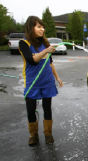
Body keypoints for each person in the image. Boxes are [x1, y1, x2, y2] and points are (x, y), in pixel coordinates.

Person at [18, 16, 63, 146]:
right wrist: (46, 51)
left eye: (43, 27)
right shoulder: (24, 43)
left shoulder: (45, 43)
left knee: (47, 108)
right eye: (39, 26)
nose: (42, 29)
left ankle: (48, 133)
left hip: (47, 81)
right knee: (31, 109)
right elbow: (32, 60)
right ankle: (33, 135)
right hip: (33, 82)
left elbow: (50, 63)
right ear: (30, 28)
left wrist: (57, 77)